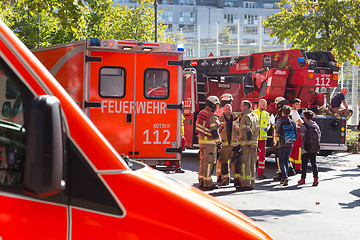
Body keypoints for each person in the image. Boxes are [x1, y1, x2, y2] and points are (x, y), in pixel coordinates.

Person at [195, 96, 222, 190]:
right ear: (212, 104)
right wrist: (219, 143)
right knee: (209, 163)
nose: (217, 107)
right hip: (210, 144)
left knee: (203, 163)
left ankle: (201, 182)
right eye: (217, 105)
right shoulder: (212, 116)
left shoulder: (201, 113)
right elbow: (215, 132)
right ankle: (208, 183)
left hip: (202, 142)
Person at [236, 100, 260, 191]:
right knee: (252, 164)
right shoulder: (255, 116)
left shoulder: (245, 117)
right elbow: (257, 131)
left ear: (246, 106)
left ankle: (245, 184)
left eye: (242, 106)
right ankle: (251, 182)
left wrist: (248, 142)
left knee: (245, 163)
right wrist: (253, 143)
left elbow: (246, 131)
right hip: (254, 144)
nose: (240, 108)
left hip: (246, 144)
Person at [272, 97, 296, 181]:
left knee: (279, 158)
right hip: (289, 141)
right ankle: (290, 170)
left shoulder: (279, 115)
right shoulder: (290, 117)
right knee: (286, 158)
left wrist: (275, 140)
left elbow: (277, 129)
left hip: (281, 141)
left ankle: (281, 174)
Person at [217, 104, 240, 186]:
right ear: (224, 110)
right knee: (224, 163)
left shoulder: (236, 119)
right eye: (226, 109)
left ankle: (237, 180)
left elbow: (239, 132)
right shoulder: (220, 119)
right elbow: (217, 132)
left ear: (231, 109)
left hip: (234, 145)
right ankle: (225, 179)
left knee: (235, 163)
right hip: (224, 145)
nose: (227, 111)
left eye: (229, 109)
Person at [298, 110, 321, 186]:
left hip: (306, 147)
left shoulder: (303, 125)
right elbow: (319, 136)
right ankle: (316, 179)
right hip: (314, 147)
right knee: (313, 163)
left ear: (305, 117)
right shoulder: (315, 125)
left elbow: (302, 136)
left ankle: (303, 179)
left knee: (304, 164)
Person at [215, 93, 233, 183]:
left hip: (221, 141)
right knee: (225, 161)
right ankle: (223, 177)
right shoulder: (225, 113)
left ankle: (219, 176)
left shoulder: (217, 112)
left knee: (221, 160)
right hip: (224, 141)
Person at [253, 99, 270, 179]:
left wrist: (268, 127)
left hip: (263, 138)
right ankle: (252, 172)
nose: (264, 107)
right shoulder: (253, 113)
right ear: (259, 105)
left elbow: (269, 124)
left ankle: (260, 173)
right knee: (252, 156)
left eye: (265, 105)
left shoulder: (267, 114)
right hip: (254, 138)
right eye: (263, 105)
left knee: (262, 156)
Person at [289, 98, 303, 173]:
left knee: (294, 149)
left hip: (294, 131)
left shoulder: (294, 112)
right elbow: (299, 122)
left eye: (299, 104)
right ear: (293, 105)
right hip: (297, 130)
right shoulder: (294, 112)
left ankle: (291, 165)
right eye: (296, 104)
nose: (298, 106)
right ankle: (297, 167)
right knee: (298, 149)